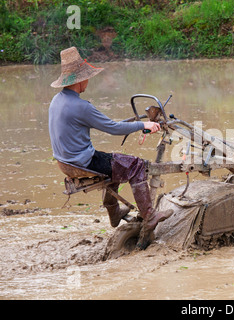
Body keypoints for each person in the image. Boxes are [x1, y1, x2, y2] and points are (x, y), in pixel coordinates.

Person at [48, 47, 172, 249]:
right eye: (87, 78)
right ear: (79, 80)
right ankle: (150, 216)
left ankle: (114, 213)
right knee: (136, 165)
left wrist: (135, 125)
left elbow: (107, 124)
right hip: (83, 161)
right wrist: (144, 125)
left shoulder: (56, 101)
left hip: (66, 162)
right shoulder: (82, 106)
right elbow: (113, 128)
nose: (88, 81)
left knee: (116, 163)